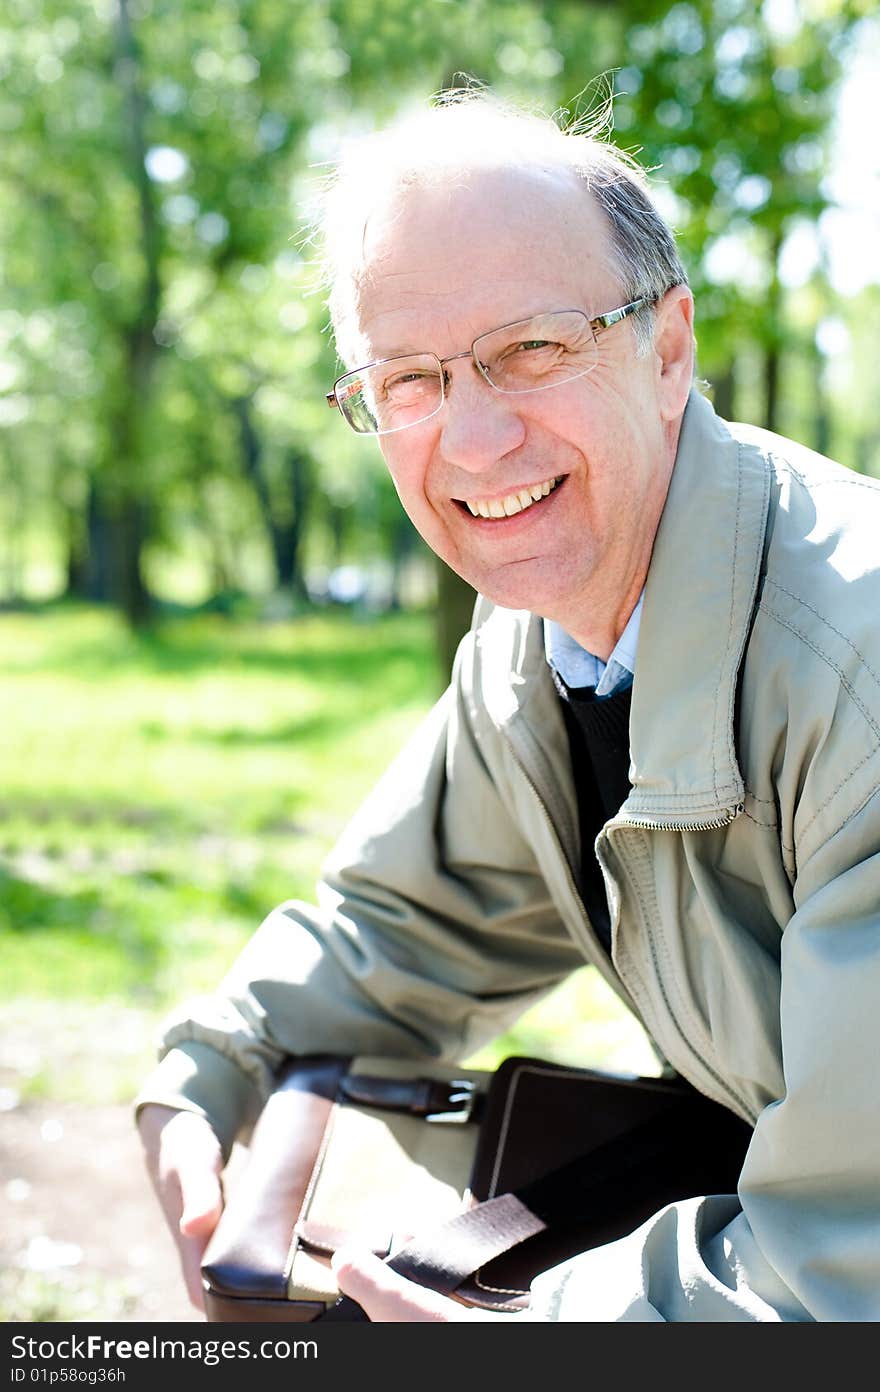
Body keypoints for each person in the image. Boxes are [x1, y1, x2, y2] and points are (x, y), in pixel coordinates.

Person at [136, 92, 880, 1322]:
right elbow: (402, 931)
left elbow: (854, 1260)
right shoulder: (535, 647)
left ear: (669, 347)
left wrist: (537, 1338)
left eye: (530, 349)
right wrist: (207, 1074)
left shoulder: (854, 676)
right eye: (410, 380)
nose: (475, 440)